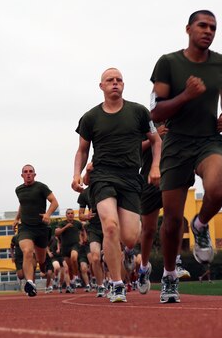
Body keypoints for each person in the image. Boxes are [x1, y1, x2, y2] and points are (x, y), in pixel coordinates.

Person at [150, 10, 222, 303]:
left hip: (208, 140)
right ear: (188, 29)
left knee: (217, 185)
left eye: (213, 27)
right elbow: (156, 111)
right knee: (172, 221)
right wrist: (185, 95)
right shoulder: (169, 63)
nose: (208, 31)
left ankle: (200, 225)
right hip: (176, 144)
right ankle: (169, 276)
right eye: (202, 25)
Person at [73, 67, 161, 303]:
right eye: (109, 80)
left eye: (119, 80)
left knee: (131, 237)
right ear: (101, 86)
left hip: (131, 178)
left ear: (123, 85)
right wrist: (76, 174)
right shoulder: (90, 117)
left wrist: (154, 167)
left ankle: (132, 254)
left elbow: (156, 140)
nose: (115, 83)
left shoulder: (139, 112)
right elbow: (82, 150)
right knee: (110, 226)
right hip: (102, 176)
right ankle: (117, 284)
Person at [136, 123, 189, 295]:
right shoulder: (145, 122)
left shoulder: (179, 120)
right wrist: (154, 137)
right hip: (150, 181)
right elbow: (133, 150)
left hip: (172, 178)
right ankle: (144, 268)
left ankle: (177, 262)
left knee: (174, 220)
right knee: (149, 229)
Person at [14, 164, 59, 297]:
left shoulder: (41, 187)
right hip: (26, 228)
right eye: (25, 172)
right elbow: (22, 204)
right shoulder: (19, 190)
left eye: (30, 172)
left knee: (41, 260)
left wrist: (48, 214)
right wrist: (17, 218)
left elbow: (54, 202)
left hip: (41, 228)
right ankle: (30, 283)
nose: (28, 174)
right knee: (27, 251)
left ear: (34, 174)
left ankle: (43, 267)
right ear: (22, 175)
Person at [78, 182, 107, 297]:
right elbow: (80, 215)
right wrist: (86, 216)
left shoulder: (107, 188)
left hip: (108, 226)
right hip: (94, 228)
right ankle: (100, 286)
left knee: (109, 258)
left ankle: (115, 283)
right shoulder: (84, 193)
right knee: (95, 258)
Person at [55, 209, 84, 291]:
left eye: (72, 213)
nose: (70, 215)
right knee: (69, 267)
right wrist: (66, 227)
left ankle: (77, 276)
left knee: (74, 258)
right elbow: (57, 233)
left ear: (74, 215)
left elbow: (83, 229)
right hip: (65, 247)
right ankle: (72, 281)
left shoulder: (77, 223)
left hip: (75, 245)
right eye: (68, 213)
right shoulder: (62, 223)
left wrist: (83, 239)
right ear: (66, 215)